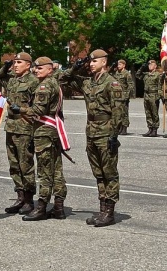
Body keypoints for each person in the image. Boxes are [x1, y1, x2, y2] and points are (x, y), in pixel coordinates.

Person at [62, 49, 123, 227]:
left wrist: (114, 135)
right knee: (98, 173)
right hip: (91, 131)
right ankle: (102, 209)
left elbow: (118, 112)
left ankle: (109, 212)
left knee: (109, 173)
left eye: (94, 61)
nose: (91, 64)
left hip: (106, 132)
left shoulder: (112, 84)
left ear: (104, 62)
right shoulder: (89, 82)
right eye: (89, 62)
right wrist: (75, 67)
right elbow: (63, 80)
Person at [19, 57, 67, 221]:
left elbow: (38, 110)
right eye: (35, 68)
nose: (36, 70)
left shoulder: (45, 85)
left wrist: (20, 109)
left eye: (40, 68)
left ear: (49, 69)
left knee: (45, 170)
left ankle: (42, 207)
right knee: (56, 169)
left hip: (44, 131)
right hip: (51, 131)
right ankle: (59, 207)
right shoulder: (53, 83)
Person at [0, 52, 38, 215]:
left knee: (25, 164)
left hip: (25, 126)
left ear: (28, 65)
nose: (16, 65)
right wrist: (5, 67)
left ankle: (28, 199)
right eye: (14, 62)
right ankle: (19, 196)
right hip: (11, 126)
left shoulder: (33, 81)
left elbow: (37, 107)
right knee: (14, 164)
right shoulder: (11, 79)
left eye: (19, 62)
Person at [136, 60, 162, 137]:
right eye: (149, 65)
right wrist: (141, 68)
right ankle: (150, 128)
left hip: (154, 95)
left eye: (152, 65)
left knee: (154, 113)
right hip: (146, 94)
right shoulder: (146, 74)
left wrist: (159, 95)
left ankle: (155, 129)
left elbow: (160, 86)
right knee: (148, 112)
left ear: (155, 66)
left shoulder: (158, 75)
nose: (149, 66)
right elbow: (137, 75)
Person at [113, 60, 134, 135]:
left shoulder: (127, 74)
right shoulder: (116, 73)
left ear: (124, 65)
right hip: (117, 95)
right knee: (118, 112)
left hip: (124, 95)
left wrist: (127, 95)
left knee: (124, 112)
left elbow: (130, 85)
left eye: (120, 64)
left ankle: (124, 128)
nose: (118, 65)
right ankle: (119, 127)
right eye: (118, 64)